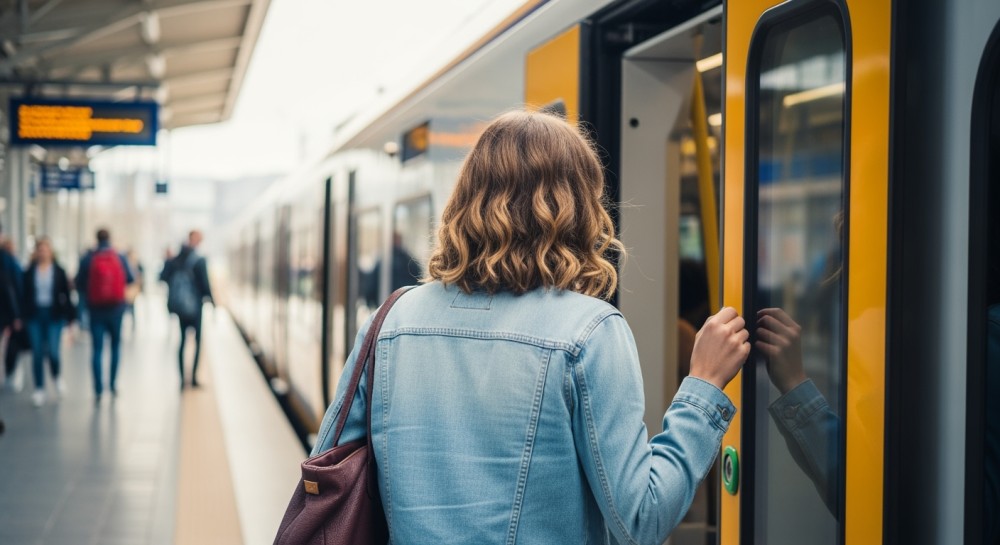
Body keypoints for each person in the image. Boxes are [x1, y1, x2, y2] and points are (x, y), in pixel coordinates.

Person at [310, 110, 749, 544]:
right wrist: (704, 385)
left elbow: (328, 462)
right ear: (579, 210)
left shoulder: (390, 322)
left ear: (464, 199)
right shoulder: (588, 331)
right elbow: (641, 517)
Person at [76, 228, 134, 401]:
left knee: (97, 349)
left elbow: (79, 283)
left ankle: (98, 389)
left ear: (96, 238)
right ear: (110, 238)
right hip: (116, 309)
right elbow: (130, 278)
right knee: (115, 347)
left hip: (95, 310)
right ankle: (113, 384)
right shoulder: (120, 257)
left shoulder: (88, 258)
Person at [22, 237, 75, 407]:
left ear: (50, 251)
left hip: (54, 315)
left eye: (45, 249)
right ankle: (39, 388)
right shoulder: (30, 271)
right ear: (37, 252)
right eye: (40, 249)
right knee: (37, 352)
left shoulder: (59, 270)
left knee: (53, 351)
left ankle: (56, 375)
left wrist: (70, 318)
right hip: (35, 315)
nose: (43, 252)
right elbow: (24, 294)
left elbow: (66, 296)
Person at [160, 230, 213, 389]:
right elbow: (205, 285)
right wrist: (212, 301)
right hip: (196, 307)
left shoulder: (175, 259)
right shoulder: (200, 260)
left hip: (180, 307)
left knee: (182, 341)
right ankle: (194, 378)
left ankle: (183, 380)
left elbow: (162, 278)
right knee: (196, 341)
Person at [0, 236, 26, 392]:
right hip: (7, 311)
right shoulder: (11, 262)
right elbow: (15, 289)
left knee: (10, 344)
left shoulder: (8, 262)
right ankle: (9, 372)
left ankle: (9, 372)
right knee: (10, 344)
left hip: (6, 311)